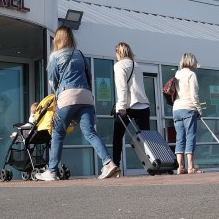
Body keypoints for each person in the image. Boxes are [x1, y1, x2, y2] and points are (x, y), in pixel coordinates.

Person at [36, 26, 119, 181]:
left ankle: (52, 171)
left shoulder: (55, 56)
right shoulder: (80, 54)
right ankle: (108, 163)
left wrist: (59, 93)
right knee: (90, 132)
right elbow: (89, 76)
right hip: (86, 96)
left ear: (58, 39)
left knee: (58, 133)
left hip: (67, 96)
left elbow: (53, 81)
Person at [112, 42, 151, 170]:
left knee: (117, 137)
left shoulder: (119, 66)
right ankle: (153, 164)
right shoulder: (137, 65)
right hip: (143, 105)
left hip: (128, 106)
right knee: (146, 139)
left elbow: (122, 88)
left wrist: (121, 107)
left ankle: (116, 166)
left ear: (119, 52)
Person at [172, 52, 202, 174]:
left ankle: (180, 167)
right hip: (188, 108)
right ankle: (190, 167)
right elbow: (194, 95)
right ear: (191, 61)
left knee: (180, 138)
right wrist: (199, 110)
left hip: (176, 109)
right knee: (190, 137)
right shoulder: (191, 74)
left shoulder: (177, 74)